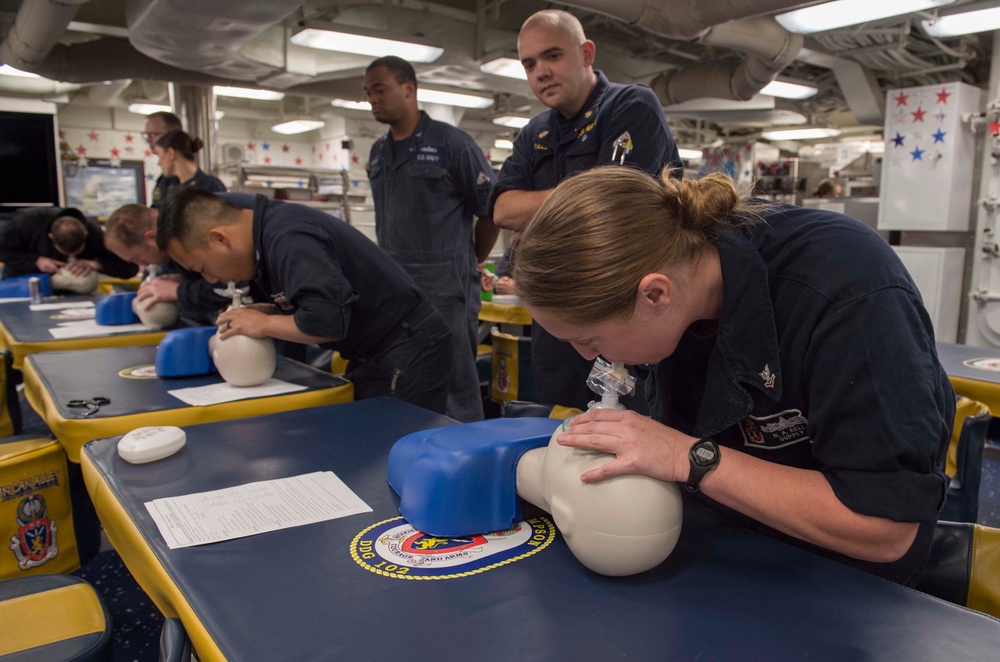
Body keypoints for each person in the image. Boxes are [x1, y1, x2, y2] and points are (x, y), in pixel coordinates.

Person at [512, 166, 954, 586]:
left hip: (845, 585)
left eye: (590, 339)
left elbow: (885, 529)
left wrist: (689, 456)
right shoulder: (680, 274)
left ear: (655, 294)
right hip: (719, 550)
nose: (588, 357)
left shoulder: (847, 292)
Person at [489, 8, 682, 411]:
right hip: (556, 322)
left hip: (624, 310)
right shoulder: (534, 133)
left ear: (587, 54)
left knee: (635, 428)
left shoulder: (631, 107)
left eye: (552, 55)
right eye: (529, 63)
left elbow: (614, 205)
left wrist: (539, 213)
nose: (540, 71)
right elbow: (503, 211)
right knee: (563, 426)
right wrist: (579, 198)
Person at [157, 187, 453, 413]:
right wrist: (274, 310)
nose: (210, 280)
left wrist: (265, 323)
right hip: (373, 349)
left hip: (407, 346)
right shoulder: (264, 238)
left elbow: (327, 322)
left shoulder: (287, 236)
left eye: (201, 268)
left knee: (392, 453)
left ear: (219, 239)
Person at [365, 55, 499, 422]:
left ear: (408, 89)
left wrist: (472, 259)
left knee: (454, 379)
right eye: (368, 93)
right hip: (394, 283)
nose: (372, 99)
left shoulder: (453, 144)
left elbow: (491, 210)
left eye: (380, 89)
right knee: (402, 372)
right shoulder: (378, 152)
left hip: (445, 283)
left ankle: (468, 455)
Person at [105, 204, 231, 324]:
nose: (141, 264)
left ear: (151, 237)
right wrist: (187, 281)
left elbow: (235, 284)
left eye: (137, 258)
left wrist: (179, 291)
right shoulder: (165, 254)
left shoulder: (195, 233)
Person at [0, 206, 136, 281]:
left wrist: (97, 264)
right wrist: (36, 260)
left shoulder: (95, 234)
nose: (71, 258)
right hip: (21, 283)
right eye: (66, 253)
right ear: (51, 237)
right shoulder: (27, 223)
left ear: (86, 236)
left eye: (76, 253)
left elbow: (130, 268)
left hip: (71, 293)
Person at [154, 130, 227, 196]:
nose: (158, 163)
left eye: (159, 155)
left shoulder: (210, 185)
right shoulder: (167, 186)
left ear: (170, 153)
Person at [143, 111, 182, 208]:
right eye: (147, 135)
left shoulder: (204, 183)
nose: (149, 140)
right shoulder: (163, 180)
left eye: (153, 134)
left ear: (172, 135)